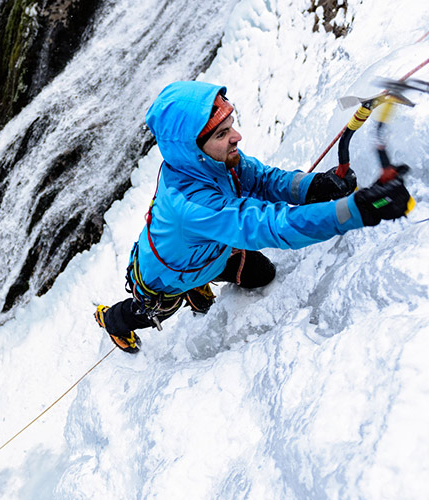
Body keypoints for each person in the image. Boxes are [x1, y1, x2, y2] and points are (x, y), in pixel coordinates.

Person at [94, 80, 412, 353]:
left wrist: (313, 186)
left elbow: (261, 180)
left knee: (262, 274)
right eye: (222, 133)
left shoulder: (215, 161)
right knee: (151, 311)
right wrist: (359, 209)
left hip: (209, 252)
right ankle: (112, 321)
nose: (236, 137)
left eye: (230, 126)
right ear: (193, 147)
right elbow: (272, 225)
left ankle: (197, 286)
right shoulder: (191, 205)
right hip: (165, 278)